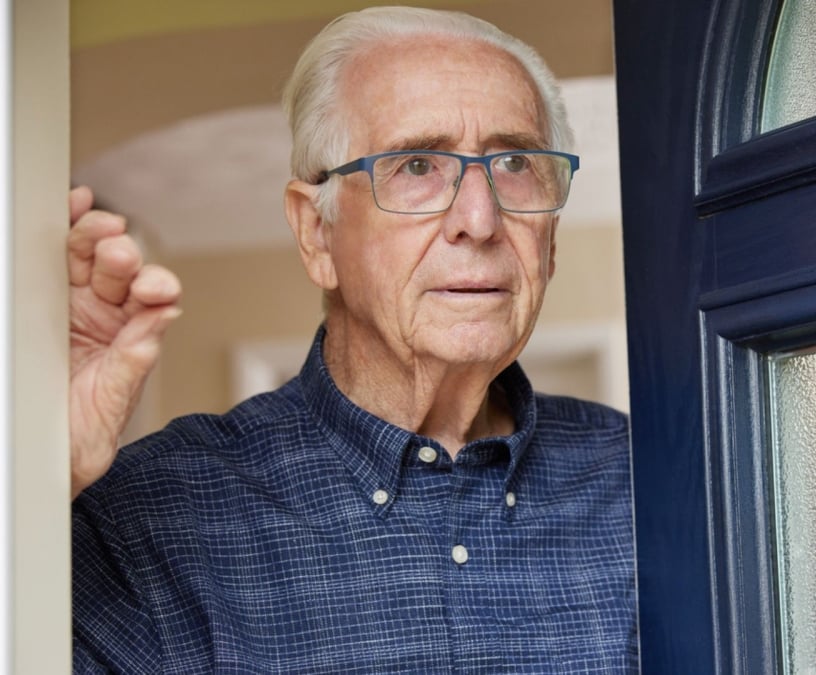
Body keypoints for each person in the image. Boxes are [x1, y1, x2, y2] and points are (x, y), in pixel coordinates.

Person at [69, 7, 636, 672]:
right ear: (317, 234)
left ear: (552, 236)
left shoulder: (647, 480)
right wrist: (29, 476)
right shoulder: (142, 517)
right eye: (417, 165)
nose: (480, 219)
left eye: (514, 162)